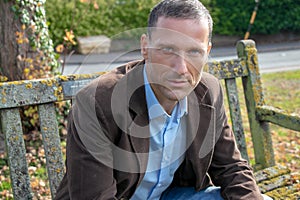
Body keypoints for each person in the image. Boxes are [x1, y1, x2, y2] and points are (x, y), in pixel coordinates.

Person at [55, 0, 272, 199]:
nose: (181, 69)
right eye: (168, 50)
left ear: (207, 52)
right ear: (145, 47)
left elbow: (231, 168)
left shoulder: (209, 92)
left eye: (194, 52)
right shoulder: (96, 103)